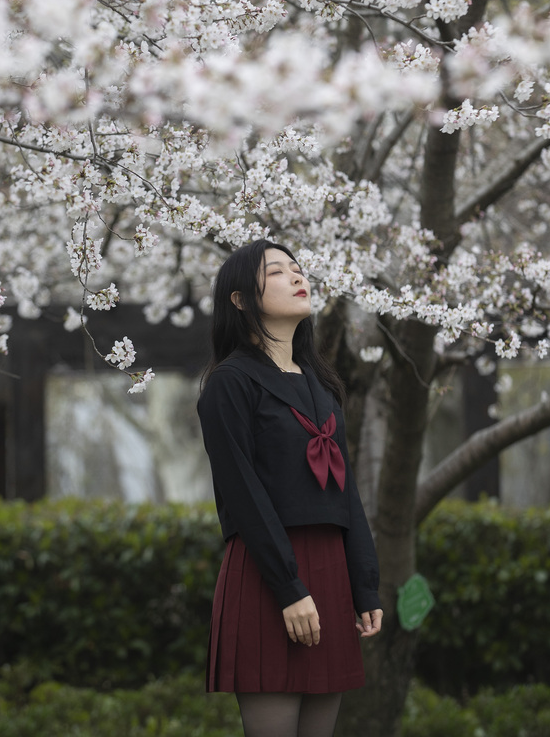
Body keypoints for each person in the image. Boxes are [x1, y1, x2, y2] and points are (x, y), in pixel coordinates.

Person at [197, 239, 383, 737]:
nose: (296, 276)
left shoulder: (323, 386)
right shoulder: (229, 383)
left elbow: (347, 495)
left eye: (297, 268)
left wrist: (365, 585)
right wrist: (288, 587)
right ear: (240, 299)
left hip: (331, 574)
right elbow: (242, 493)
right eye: (276, 271)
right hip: (268, 573)